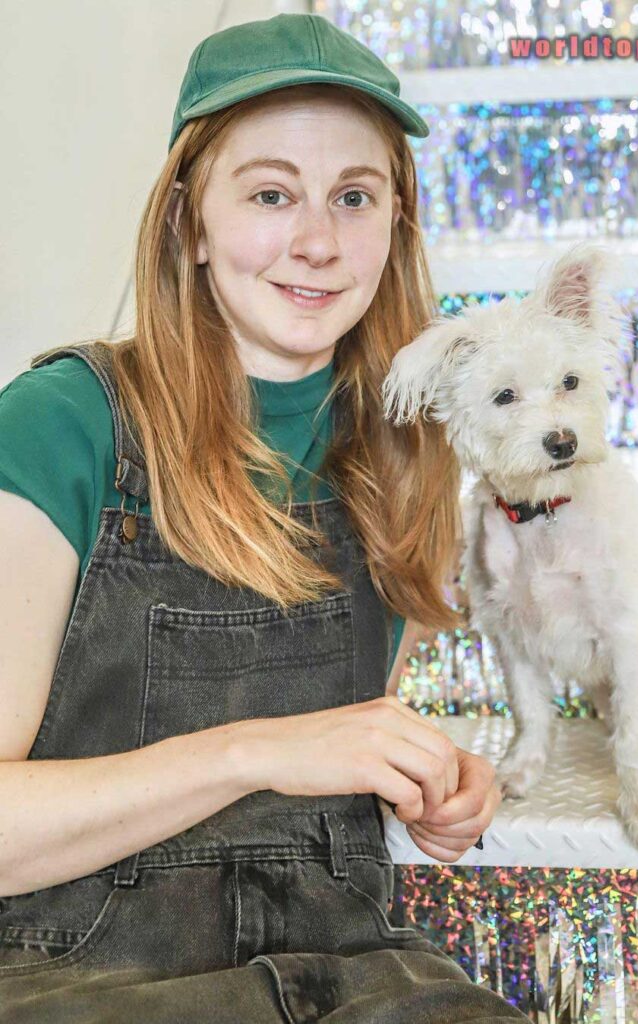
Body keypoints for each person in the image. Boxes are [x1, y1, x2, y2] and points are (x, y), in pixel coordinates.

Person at [0, 13, 530, 1023]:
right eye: (272, 193)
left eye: (354, 197)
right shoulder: (60, 426)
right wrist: (264, 749)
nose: (319, 242)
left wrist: (432, 781)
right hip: (80, 979)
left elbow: (335, 771)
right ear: (189, 223)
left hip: (352, 971)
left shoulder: (408, 452)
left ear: (395, 224)